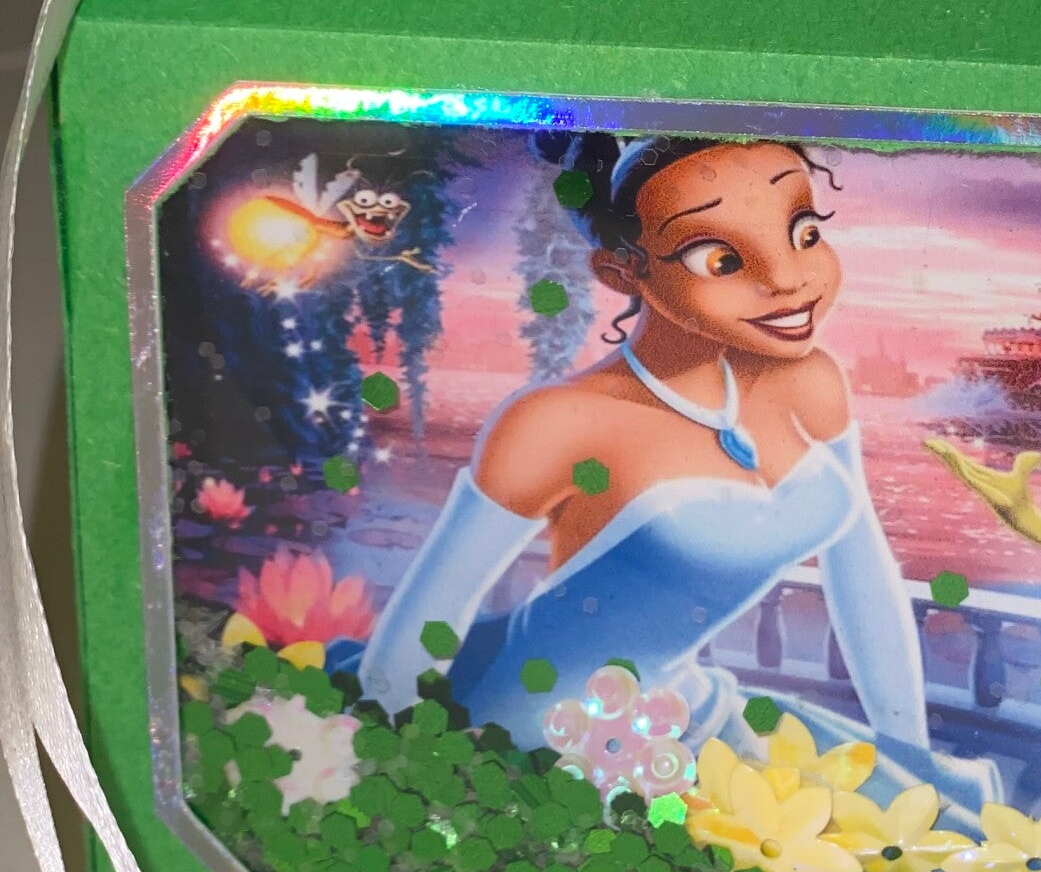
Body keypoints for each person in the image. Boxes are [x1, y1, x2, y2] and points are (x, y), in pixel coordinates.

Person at [349, 132, 982, 802]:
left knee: (907, 821)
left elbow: (861, 569)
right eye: (720, 258)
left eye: (803, 232)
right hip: (545, 745)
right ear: (623, 273)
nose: (790, 279)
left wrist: (907, 752)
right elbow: (423, 628)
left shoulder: (808, 383)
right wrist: (407, 785)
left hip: (690, 710)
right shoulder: (559, 422)